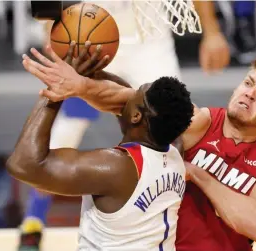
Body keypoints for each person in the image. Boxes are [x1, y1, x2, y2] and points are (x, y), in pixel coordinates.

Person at [23, 48, 256, 251]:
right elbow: (125, 101)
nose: (250, 93)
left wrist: (198, 174)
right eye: (248, 83)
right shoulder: (198, 121)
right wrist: (82, 86)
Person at [19, 1, 230, 249]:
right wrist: (53, 36)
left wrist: (213, 32)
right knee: (66, 133)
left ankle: (182, 225)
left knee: (176, 130)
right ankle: (33, 223)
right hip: (90, 34)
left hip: (149, 38)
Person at [8, 42, 194, 251]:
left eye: (134, 95)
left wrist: (55, 89)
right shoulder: (176, 150)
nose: (125, 94)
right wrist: (88, 73)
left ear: (136, 115)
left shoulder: (115, 168)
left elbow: (24, 164)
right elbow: (125, 99)